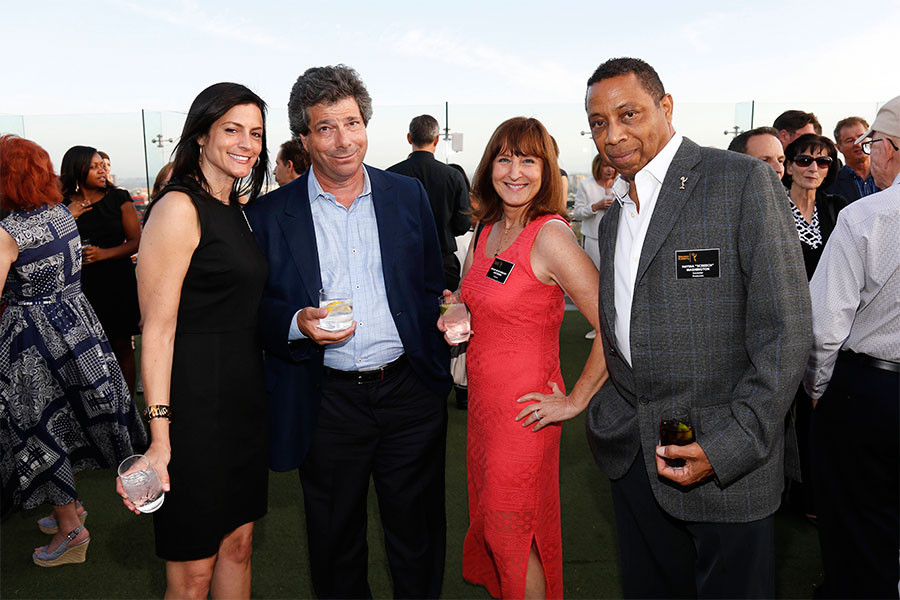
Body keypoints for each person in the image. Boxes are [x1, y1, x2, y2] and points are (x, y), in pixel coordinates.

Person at [583, 57, 811, 598]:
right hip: (636, 454)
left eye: (628, 113)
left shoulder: (740, 180)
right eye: (597, 122)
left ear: (665, 107)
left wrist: (731, 445)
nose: (612, 135)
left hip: (725, 453)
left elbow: (788, 329)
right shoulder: (617, 213)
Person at [245, 64, 451, 599]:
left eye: (353, 123)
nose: (344, 140)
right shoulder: (269, 215)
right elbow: (252, 311)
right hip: (325, 400)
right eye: (326, 127)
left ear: (367, 124)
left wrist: (450, 307)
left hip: (409, 393)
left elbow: (434, 280)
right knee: (335, 543)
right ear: (304, 138)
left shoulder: (407, 196)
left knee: (418, 534)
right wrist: (295, 323)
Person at [446, 117, 608, 599]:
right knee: (499, 526)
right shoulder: (487, 227)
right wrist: (456, 305)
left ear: (546, 169)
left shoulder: (549, 235)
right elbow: (468, 290)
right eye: (505, 158)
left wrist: (575, 400)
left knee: (509, 530)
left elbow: (612, 323)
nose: (515, 171)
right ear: (490, 165)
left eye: (529, 160)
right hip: (483, 408)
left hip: (525, 414)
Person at [121, 82, 270, 599]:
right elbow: (156, 331)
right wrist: (161, 437)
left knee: (238, 545)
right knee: (192, 573)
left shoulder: (238, 209)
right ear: (202, 134)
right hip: (194, 408)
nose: (246, 143)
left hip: (244, 403)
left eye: (255, 132)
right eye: (232, 129)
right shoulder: (178, 207)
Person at [0, 134, 146, 566]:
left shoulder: (8, 231)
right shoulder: (61, 216)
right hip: (77, 326)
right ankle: (71, 505)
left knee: (37, 426)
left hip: (30, 337)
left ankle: (70, 529)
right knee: (65, 417)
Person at [803, 95, 900, 599]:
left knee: (860, 533)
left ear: (894, 148)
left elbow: (825, 325)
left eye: (873, 143)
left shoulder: (869, 216)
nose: (870, 154)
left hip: (870, 392)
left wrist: (820, 388)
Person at [60, 146, 141, 394]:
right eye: (94, 166)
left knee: (121, 345)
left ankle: (126, 409)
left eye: (102, 166)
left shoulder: (119, 198)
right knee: (86, 348)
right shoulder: (62, 205)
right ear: (77, 169)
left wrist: (104, 254)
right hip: (79, 286)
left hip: (117, 282)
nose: (102, 170)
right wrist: (68, 216)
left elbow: (137, 241)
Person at [388, 114, 471, 291]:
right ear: (437, 140)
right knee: (445, 314)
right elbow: (464, 223)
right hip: (443, 261)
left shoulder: (391, 176)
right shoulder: (453, 176)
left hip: (404, 261)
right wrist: (445, 231)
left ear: (409, 138)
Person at [782, 134, 849, 280]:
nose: (813, 168)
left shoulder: (837, 206)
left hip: (825, 298)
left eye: (823, 162)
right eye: (804, 161)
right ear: (789, 167)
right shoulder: (774, 207)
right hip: (786, 297)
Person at [572, 153, 616, 339]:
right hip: (594, 240)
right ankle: (598, 327)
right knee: (597, 283)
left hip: (617, 239)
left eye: (612, 166)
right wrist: (596, 206)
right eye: (606, 166)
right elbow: (578, 213)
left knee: (616, 283)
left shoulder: (623, 182)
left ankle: (616, 328)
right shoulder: (586, 185)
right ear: (598, 166)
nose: (610, 170)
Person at [827, 116, 880, 202]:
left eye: (861, 137)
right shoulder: (831, 186)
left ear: (871, 139)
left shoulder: (892, 176)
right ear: (839, 148)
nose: (858, 144)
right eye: (850, 140)